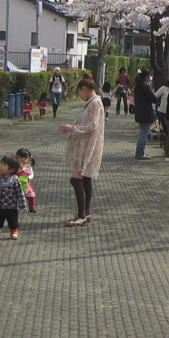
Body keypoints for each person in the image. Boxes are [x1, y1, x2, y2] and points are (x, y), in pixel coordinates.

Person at [59, 75, 105, 226]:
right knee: (85, 179)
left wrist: (72, 128)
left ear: (84, 89)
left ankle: (81, 215)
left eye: (79, 92)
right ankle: (86, 213)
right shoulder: (93, 102)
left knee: (76, 178)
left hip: (87, 147)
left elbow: (92, 125)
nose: (80, 96)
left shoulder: (95, 103)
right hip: (85, 145)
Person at [0, 154, 27, 239]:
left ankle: (14, 231)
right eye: (1, 164)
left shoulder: (15, 180)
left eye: (4, 165)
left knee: (13, 221)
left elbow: (19, 192)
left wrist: (22, 204)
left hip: (12, 206)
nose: (1, 166)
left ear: (11, 169)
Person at [133, 69, 159, 160]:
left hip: (139, 112)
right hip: (146, 113)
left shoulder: (138, 86)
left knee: (142, 132)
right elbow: (154, 98)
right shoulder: (146, 87)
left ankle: (139, 152)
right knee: (144, 133)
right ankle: (140, 153)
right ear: (147, 77)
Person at [16, 147, 37, 213]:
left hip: (26, 184)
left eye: (25, 158)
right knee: (16, 196)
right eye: (21, 158)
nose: (23, 160)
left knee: (31, 196)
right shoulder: (15, 166)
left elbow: (31, 174)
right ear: (17, 157)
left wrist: (28, 178)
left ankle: (32, 207)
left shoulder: (28, 166)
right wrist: (20, 168)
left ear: (28, 159)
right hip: (16, 184)